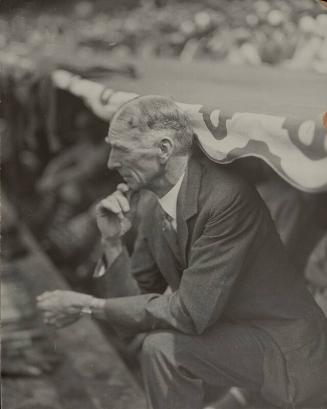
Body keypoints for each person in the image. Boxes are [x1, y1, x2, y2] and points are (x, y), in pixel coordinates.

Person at [38, 95, 327, 409]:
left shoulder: (226, 200)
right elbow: (131, 314)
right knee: (158, 346)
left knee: (162, 348)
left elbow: (190, 314)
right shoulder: (153, 205)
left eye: (121, 149)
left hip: (287, 353)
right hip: (239, 340)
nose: (110, 162)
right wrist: (111, 242)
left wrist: (88, 306)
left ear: (163, 150)